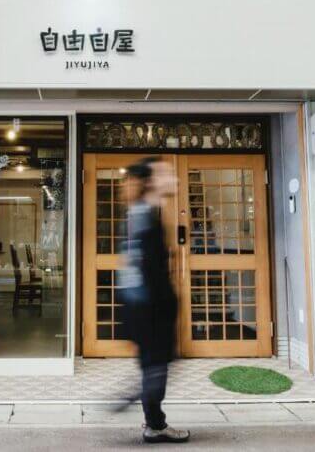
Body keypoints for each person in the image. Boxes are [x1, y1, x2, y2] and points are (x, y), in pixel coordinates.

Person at [118, 157, 189, 444]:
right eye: (166, 173)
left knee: (155, 366)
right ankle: (154, 424)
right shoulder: (145, 217)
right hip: (149, 309)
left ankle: (151, 416)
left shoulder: (141, 214)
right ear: (151, 181)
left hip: (143, 308)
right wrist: (168, 306)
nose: (175, 178)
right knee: (156, 366)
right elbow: (149, 271)